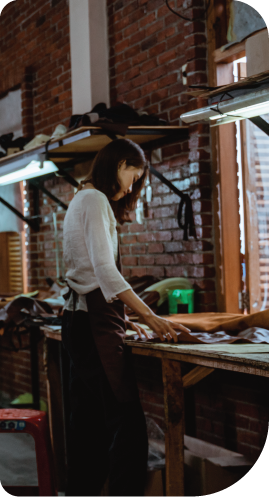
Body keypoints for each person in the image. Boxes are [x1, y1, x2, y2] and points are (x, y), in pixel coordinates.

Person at [61, 138, 190, 497]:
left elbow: (85, 272)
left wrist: (123, 317)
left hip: (81, 322)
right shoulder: (96, 199)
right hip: (92, 328)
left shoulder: (79, 199)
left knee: (87, 427)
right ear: (118, 165)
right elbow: (104, 270)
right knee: (128, 427)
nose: (131, 187)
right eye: (132, 177)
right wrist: (150, 316)